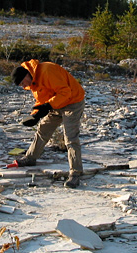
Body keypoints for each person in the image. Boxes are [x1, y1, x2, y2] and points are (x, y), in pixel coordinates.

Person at [11, 59, 85, 188]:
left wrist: (48, 105)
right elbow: (41, 100)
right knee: (43, 129)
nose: (24, 87)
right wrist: (35, 115)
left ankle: (75, 173)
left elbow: (65, 92)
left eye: (23, 83)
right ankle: (30, 158)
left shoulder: (47, 71)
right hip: (57, 103)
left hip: (73, 102)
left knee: (70, 137)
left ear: (26, 75)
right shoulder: (32, 82)